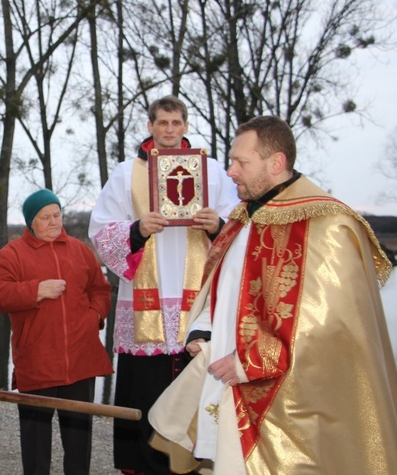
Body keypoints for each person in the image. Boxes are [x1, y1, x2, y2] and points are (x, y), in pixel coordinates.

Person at [149, 115, 397, 474]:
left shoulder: (328, 224)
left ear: (276, 163)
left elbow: (329, 323)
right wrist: (203, 331)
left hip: (289, 398)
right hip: (228, 379)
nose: (230, 171)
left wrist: (251, 361)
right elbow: (223, 288)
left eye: (241, 162)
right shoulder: (243, 217)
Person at [88, 95, 238, 474]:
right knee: (145, 391)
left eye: (176, 122)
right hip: (145, 303)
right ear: (150, 126)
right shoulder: (126, 174)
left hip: (197, 303)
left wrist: (216, 227)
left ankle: (192, 462)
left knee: (193, 389)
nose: (169, 130)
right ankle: (140, 466)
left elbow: (239, 225)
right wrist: (137, 230)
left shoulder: (214, 172)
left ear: (186, 125)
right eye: (162, 123)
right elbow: (101, 231)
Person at [0, 189, 113, 475]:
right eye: (45, 217)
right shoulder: (11, 255)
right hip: (37, 360)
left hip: (81, 359)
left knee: (79, 439)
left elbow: (101, 290)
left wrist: (94, 316)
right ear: (31, 222)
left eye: (56, 215)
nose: (53, 221)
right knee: (35, 441)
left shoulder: (81, 251)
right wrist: (36, 290)